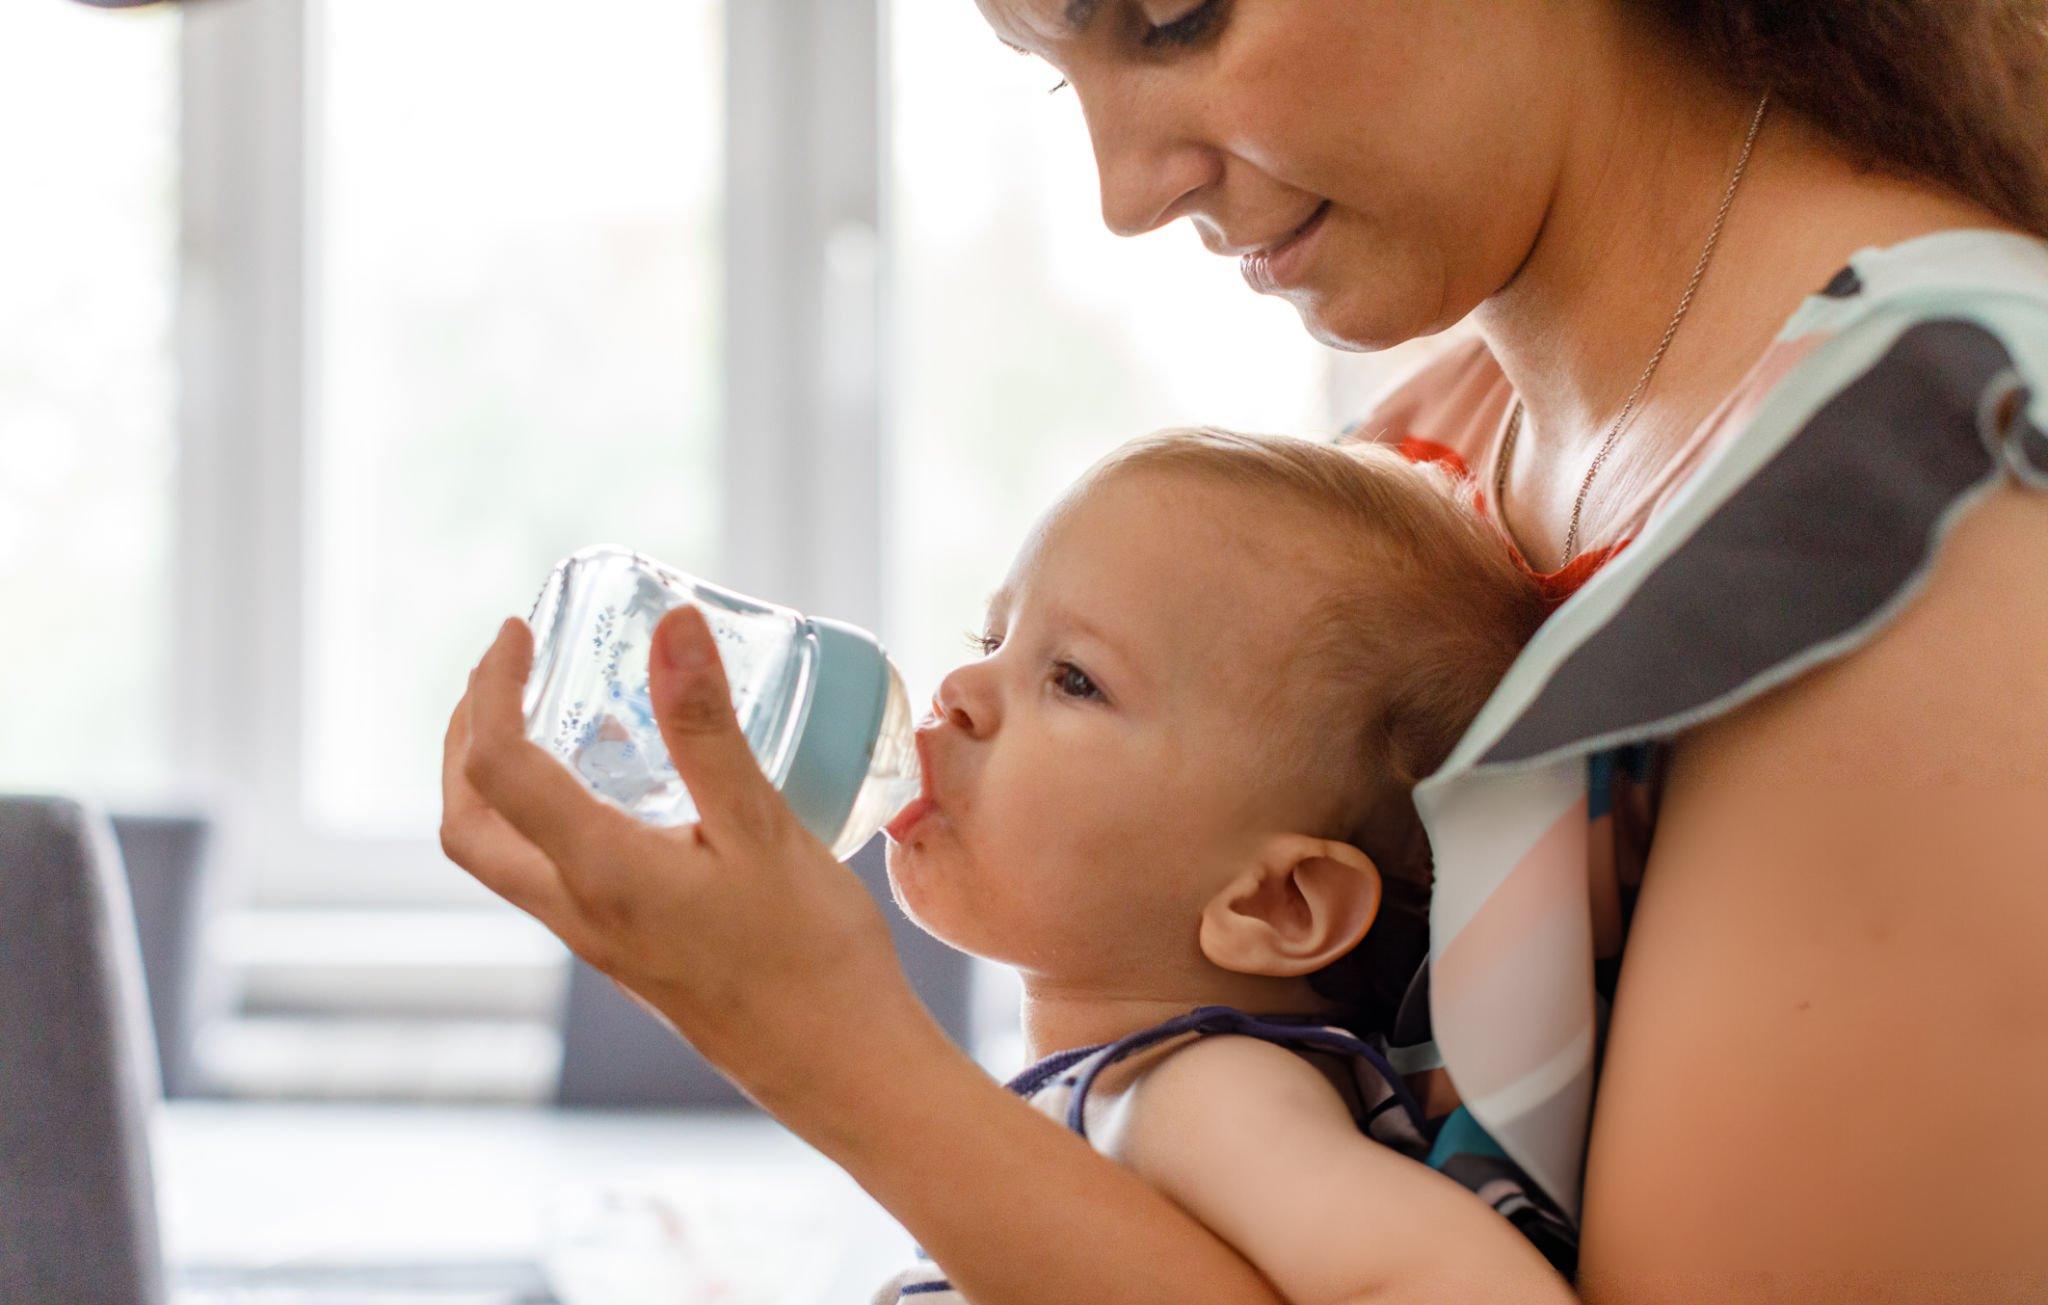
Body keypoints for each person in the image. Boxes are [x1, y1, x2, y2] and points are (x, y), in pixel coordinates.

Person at [444, 2, 2048, 1299]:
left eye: (1171, 22)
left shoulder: (1933, 511)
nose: (1125, 193)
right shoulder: (1452, 453)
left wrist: (837, 1053)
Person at [865, 428, 1567, 1301]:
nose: (958, 689)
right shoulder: (1125, 1087)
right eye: (993, 636)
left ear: (1277, 902)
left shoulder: (1205, 1092)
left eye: (1075, 678)